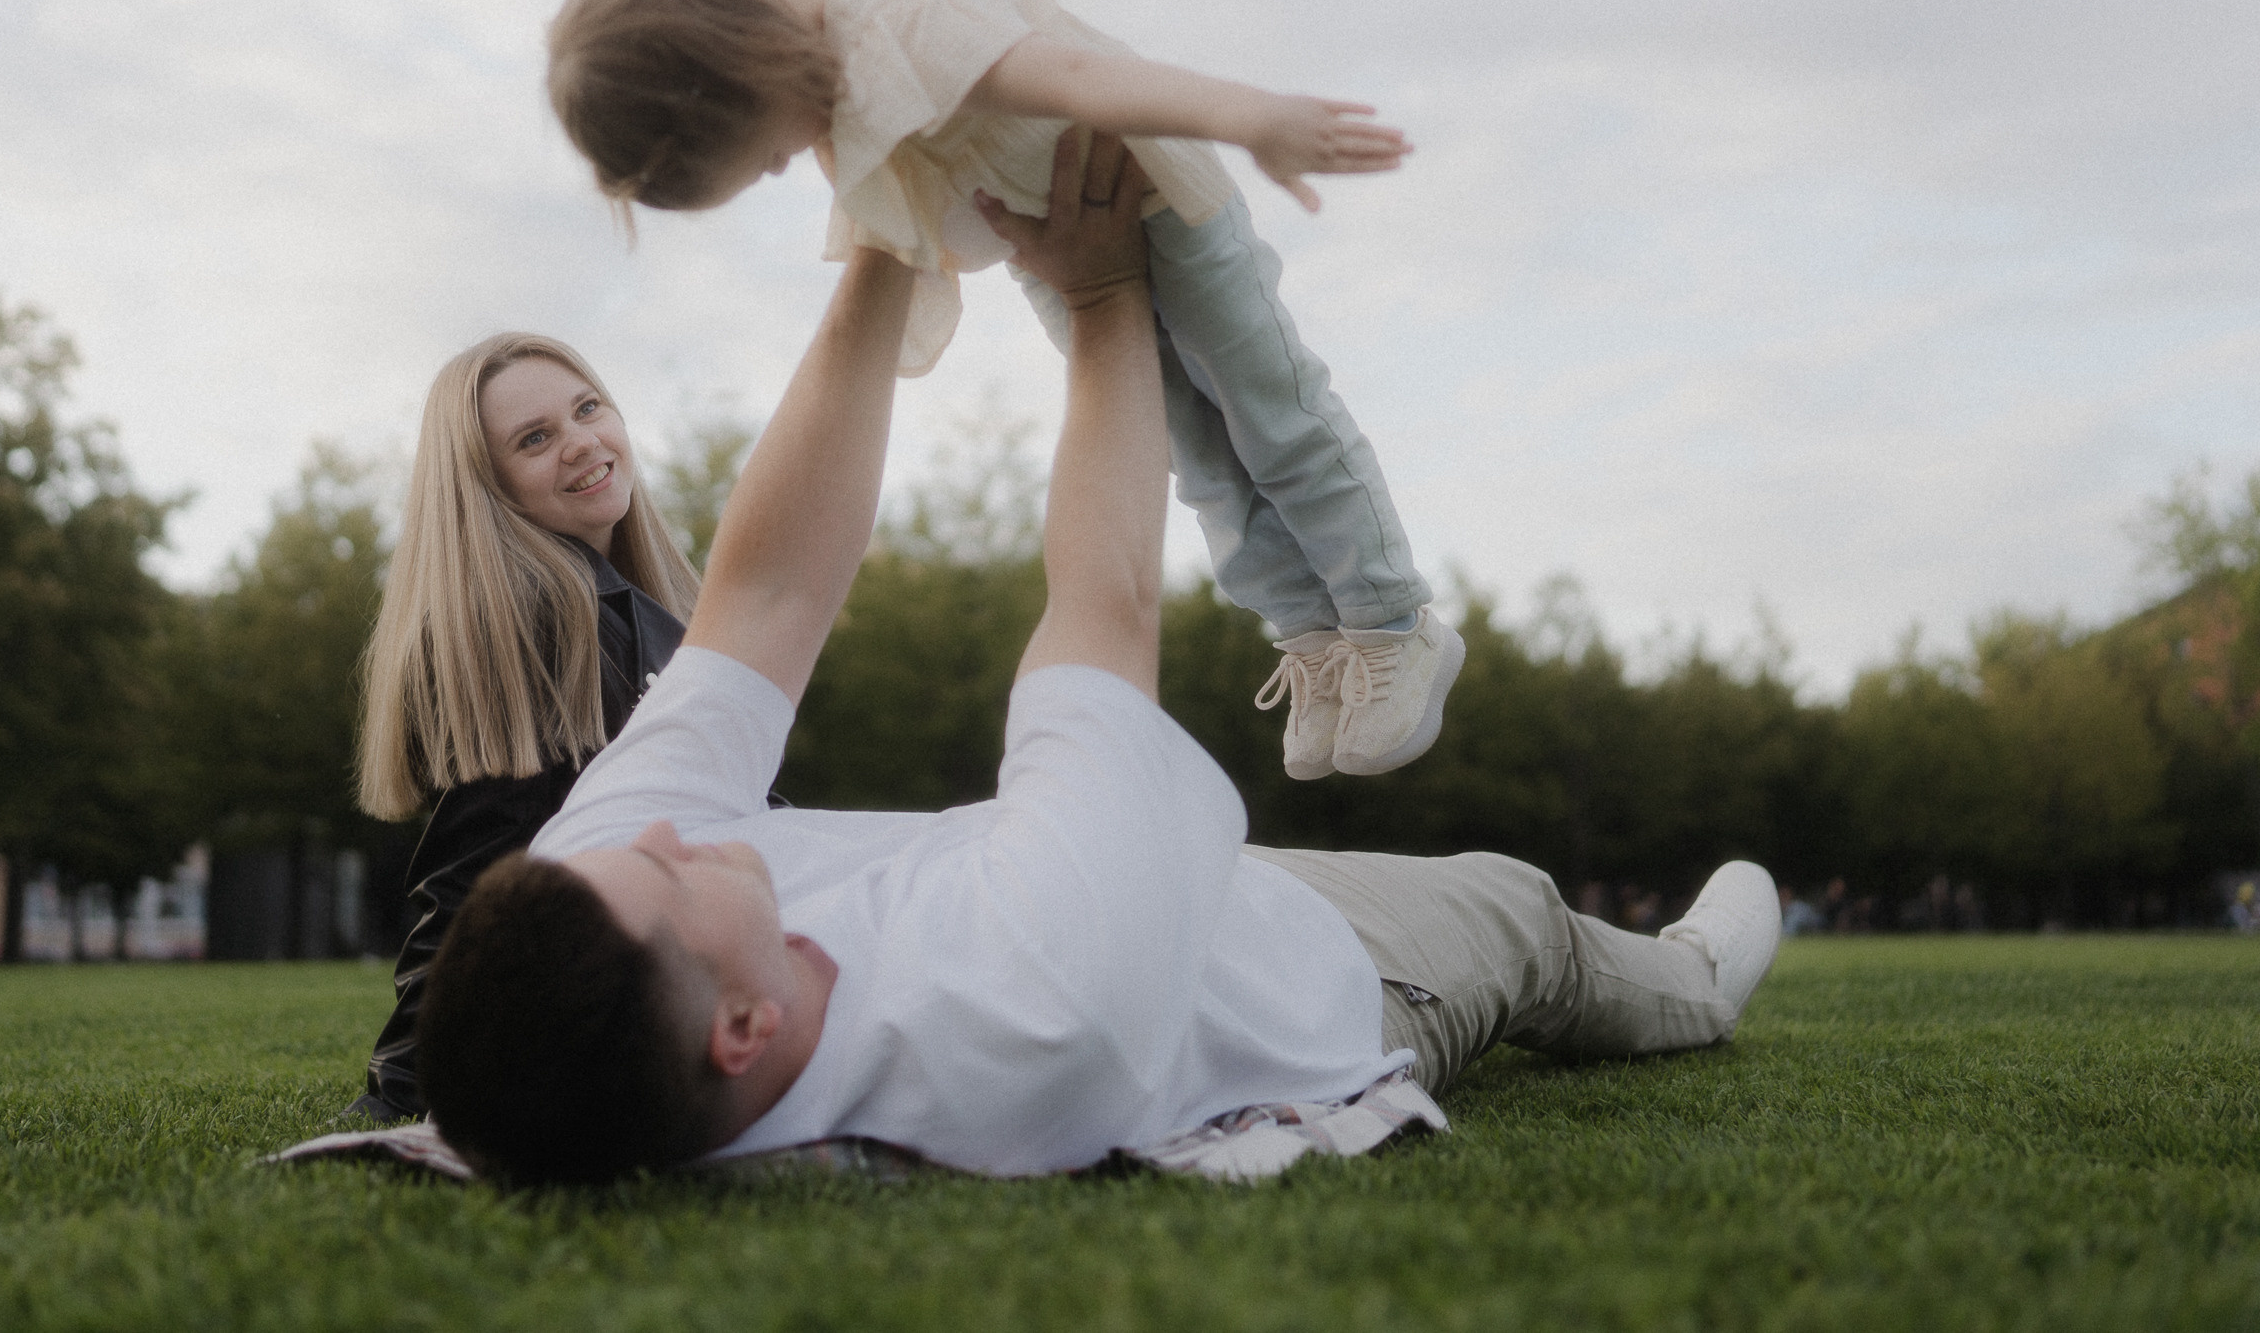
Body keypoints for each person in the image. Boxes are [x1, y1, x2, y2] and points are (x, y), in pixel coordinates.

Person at [415, 130, 1783, 1187]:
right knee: (1520, 908)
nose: (662, 828)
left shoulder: (601, 874)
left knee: (1080, 830)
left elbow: (764, 596)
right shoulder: (1027, 1001)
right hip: (1292, 966)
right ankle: (1693, 981)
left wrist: (892, 235)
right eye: (664, 866)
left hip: (1067, 848)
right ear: (741, 1034)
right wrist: (1104, 291)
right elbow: (1105, 603)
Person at [546, 0, 1457, 779]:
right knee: (1196, 458)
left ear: (747, 75)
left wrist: (1252, 117)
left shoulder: (902, 17)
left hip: (1156, 199)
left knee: (1271, 412)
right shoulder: (797, 46)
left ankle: (1389, 617)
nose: (790, 167)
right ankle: (1309, 630)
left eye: (768, 155)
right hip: (1051, 243)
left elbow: (1076, 75)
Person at [345, 332, 702, 1122]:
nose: (581, 443)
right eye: (535, 439)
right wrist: (400, 1090)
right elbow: (476, 879)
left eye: (587, 408)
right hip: (665, 994)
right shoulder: (531, 622)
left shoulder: (646, 606)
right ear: (488, 485)